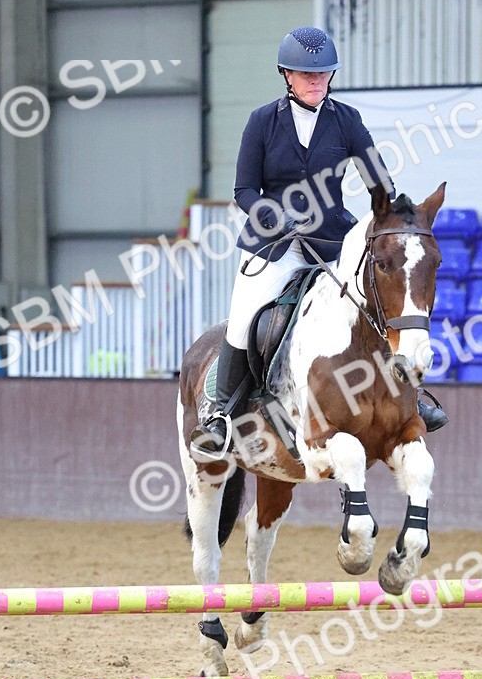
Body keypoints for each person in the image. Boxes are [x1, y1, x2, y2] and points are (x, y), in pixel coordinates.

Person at [190, 25, 447, 457]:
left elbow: (378, 183)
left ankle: (411, 398)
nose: (317, 82)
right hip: (274, 243)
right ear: (286, 75)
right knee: (245, 315)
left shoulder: (345, 120)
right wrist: (274, 215)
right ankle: (221, 413)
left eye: (324, 74)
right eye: (307, 75)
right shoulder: (261, 123)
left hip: (331, 240)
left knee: (375, 305)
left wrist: (395, 219)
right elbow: (244, 191)